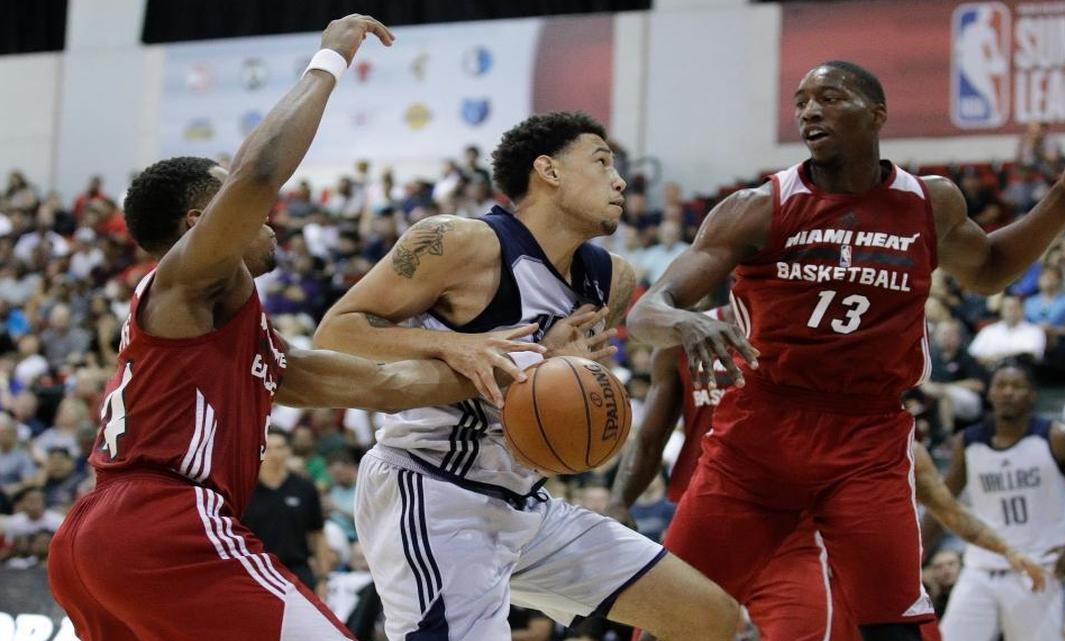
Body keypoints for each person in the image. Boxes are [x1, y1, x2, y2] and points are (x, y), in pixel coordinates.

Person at [46, 16, 546, 641]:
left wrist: (507, 363)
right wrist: (329, 61)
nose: (269, 222)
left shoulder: (231, 343)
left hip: (92, 538)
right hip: (165, 521)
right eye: (245, 212)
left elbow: (385, 385)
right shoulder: (193, 278)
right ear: (202, 221)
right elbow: (257, 176)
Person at [625, 58, 1065, 641]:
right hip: (758, 435)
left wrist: (1064, 197)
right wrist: (682, 323)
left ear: (877, 115)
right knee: (667, 617)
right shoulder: (757, 207)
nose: (811, 110)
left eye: (831, 97)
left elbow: (990, 270)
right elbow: (646, 311)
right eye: (802, 101)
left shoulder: (928, 202)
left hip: (866, 438)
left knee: (896, 626)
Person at [313, 111, 740, 640]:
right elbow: (336, 332)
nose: (620, 180)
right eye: (602, 161)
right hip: (431, 487)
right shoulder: (457, 241)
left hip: (528, 501)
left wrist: (562, 374)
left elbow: (548, 393)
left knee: (713, 618)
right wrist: (459, 345)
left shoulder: (612, 279)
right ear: (548, 171)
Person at [608, 330, 1045, 641]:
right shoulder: (713, 363)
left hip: (812, 556)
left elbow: (945, 506)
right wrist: (618, 499)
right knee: (663, 625)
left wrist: (1008, 550)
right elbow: (650, 437)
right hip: (728, 526)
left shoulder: (880, 434)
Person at [930, 364, 1065, 641]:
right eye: (1001, 386)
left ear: (1032, 395)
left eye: (1016, 386)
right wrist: (914, 554)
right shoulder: (967, 443)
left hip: (1039, 567)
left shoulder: (1058, 438)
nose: (1008, 392)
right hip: (980, 568)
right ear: (990, 393)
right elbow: (941, 505)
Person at [242, 428, 329, 590]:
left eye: (280, 448)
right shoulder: (243, 491)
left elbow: (318, 535)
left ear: (289, 451)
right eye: (268, 448)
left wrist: (323, 578)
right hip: (254, 572)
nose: (274, 454)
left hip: (297, 571)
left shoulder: (305, 488)